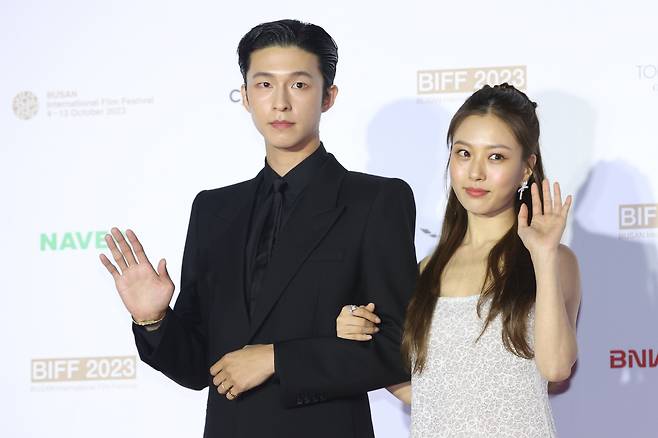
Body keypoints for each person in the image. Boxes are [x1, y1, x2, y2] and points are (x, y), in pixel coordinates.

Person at [98, 19, 417, 438]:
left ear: (329, 97)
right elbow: (199, 368)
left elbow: (400, 347)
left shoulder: (374, 200)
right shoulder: (213, 209)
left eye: (299, 85)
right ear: (246, 97)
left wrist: (277, 359)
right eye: (264, 85)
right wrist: (155, 321)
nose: (280, 103)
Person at [337, 84, 581, 437]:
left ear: (527, 168)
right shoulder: (425, 271)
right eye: (464, 153)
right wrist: (357, 336)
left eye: (496, 157)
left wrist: (542, 256)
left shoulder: (554, 260)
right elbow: (425, 391)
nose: (475, 172)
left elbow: (557, 367)